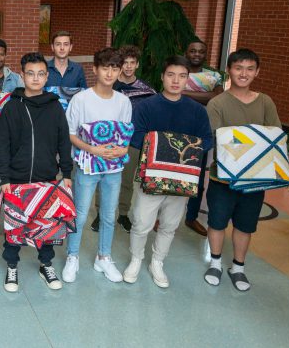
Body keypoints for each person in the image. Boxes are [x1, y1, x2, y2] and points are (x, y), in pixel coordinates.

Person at [122, 56, 212, 288]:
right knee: (142, 222)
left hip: (181, 179)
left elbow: (207, 141)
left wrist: (174, 146)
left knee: (170, 224)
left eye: (182, 76)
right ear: (162, 77)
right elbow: (135, 135)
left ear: (187, 80)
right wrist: (174, 145)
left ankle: (157, 263)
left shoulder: (197, 111)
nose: (176, 80)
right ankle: (136, 259)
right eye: (171, 75)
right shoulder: (147, 106)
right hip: (150, 175)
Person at [204, 49, 280, 292]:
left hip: (255, 179)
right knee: (217, 222)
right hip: (223, 177)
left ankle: (238, 267)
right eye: (238, 68)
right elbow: (217, 138)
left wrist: (240, 140)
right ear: (229, 70)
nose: (243, 73)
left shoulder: (265, 101)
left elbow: (275, 135)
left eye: (249, 69)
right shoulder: (217, 103)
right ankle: (215, 263)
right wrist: (252, 140)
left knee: (245, 225)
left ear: (257, 72)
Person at [0, 52, 73, 292]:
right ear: (22, 75)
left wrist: (67, 173)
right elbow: (3, 144)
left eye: (41, 74)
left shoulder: (55, 107)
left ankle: (45, 264)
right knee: (14, 226)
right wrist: (5, 177)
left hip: (47, 177)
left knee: (46, 225)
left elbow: (64, 142)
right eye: (30, 74)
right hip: (17, 179)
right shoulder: (11, 107)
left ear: (46, 75)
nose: (36, 78)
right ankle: (11, 265)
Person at [64, 48, 132, 284]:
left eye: (115, 68)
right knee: (80, 214)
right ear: (95, 69)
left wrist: (123, 149)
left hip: (113, 168)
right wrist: (92, 149)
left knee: (109, 215)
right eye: (105, 67)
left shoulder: (123, 102)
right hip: (87, 166)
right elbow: (70, 133)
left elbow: (125, 135)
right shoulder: (81, 99)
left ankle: (103, 256)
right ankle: (72, 256)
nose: (110, 72)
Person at [91, 45, 156, 233]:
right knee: (102, 179)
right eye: (125, 63)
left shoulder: (147, 90)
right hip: (106, 140)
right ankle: (99, 214)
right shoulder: (110, 85)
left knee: (126, 181)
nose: (128, 67)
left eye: (132, 63)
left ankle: (123, 214)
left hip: (133, 142)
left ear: (137, 65)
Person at [182, 40, 224, 237]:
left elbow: (217, 98)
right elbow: (173, 92)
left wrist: (184, 91)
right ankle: (160, 217)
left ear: (205, 54)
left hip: (202, 131)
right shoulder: (178, 71)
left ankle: (191, 217)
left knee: (198, 180)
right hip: (178, 128)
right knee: (168, 173)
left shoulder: (213, 75)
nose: (196, 54)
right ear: (186, 52)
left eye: (201, 51)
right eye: (193, 50)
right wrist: (202, 93)